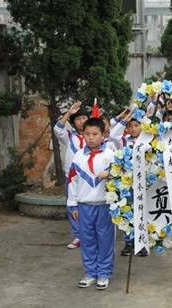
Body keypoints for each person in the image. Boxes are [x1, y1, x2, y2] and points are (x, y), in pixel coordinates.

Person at [67, 118, 114, 290]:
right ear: (82, 135)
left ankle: (104, 273)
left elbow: (121, 175)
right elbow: (72, 180)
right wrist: (72, 204)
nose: (91, 138)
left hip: (104, 205)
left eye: (95, 134)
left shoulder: (110, 155)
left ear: (103, 135)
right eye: (87, 134)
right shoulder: (78, 156)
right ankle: (90, 272)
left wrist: (110, 173)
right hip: (84, 205)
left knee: (105, 240)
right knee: (87, 240)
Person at [54, 101, 89, 249]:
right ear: (74, 122)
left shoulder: (94, 135)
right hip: (72, 177)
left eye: (84, 118)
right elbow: (57, 129)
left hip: (90, 178)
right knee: (72, 206)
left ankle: (90, 235)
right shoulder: (69, 136)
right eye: (78, 119)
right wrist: (68, 113)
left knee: (89, 206)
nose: (81, 121)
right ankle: (78, 236)